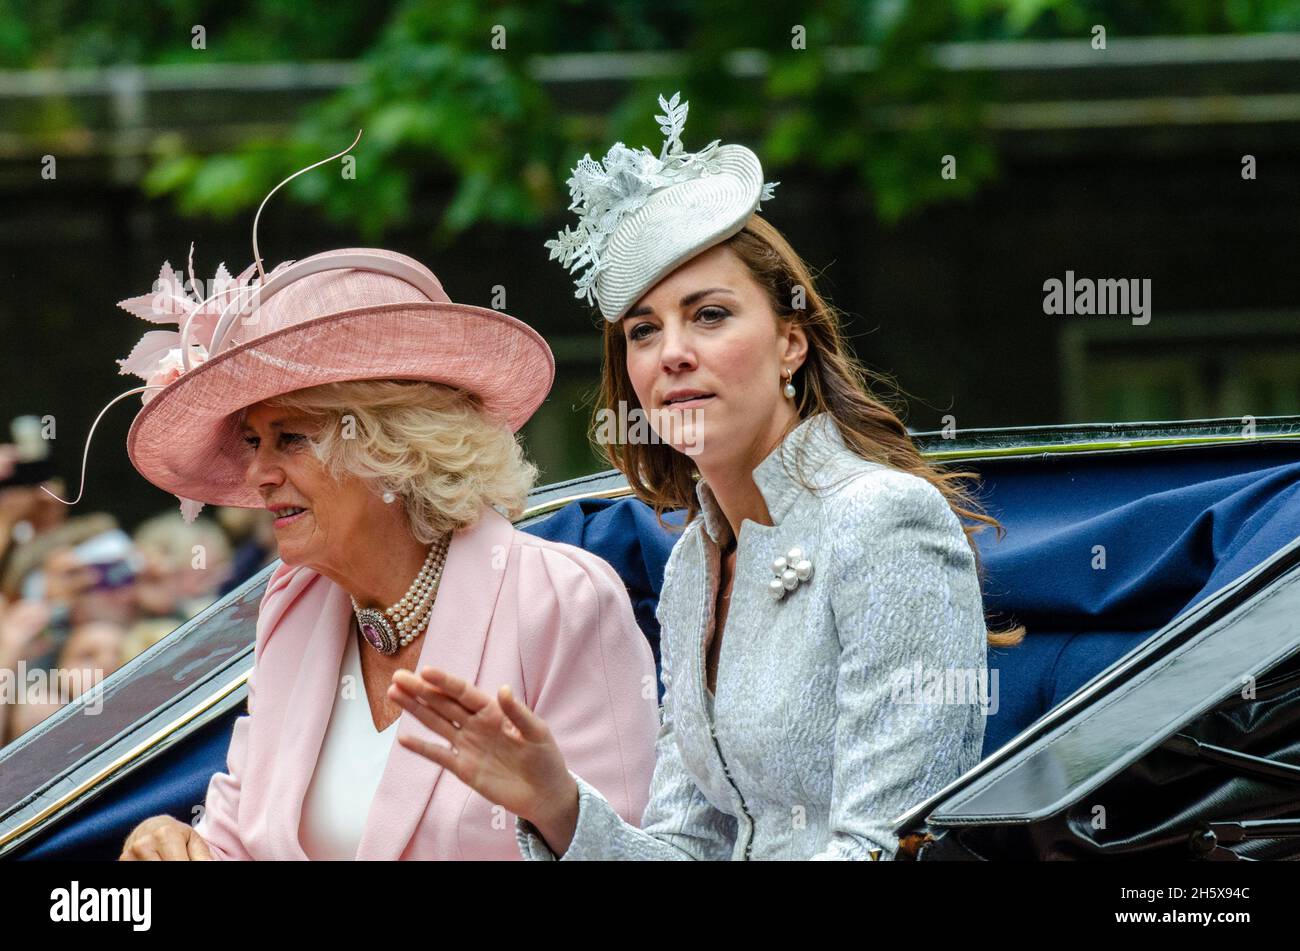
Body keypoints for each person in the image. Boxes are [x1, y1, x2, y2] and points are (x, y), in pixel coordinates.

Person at [389, 92, 1024, 860]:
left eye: (711, 315)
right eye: (644, 330)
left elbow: (885, 847)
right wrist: (558, 804)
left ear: (791, 342)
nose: (672, 352)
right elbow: (689, 846)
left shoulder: (886, 520)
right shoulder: (693, 561)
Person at [40, 141, 658, 860]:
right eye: (251, 441)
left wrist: (555, 809)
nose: (258, 475)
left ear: (391, 447)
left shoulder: (559, 601)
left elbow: (628, 848)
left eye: (290, 439)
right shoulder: (297, 602)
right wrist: (178, 839)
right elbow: (245, 834)